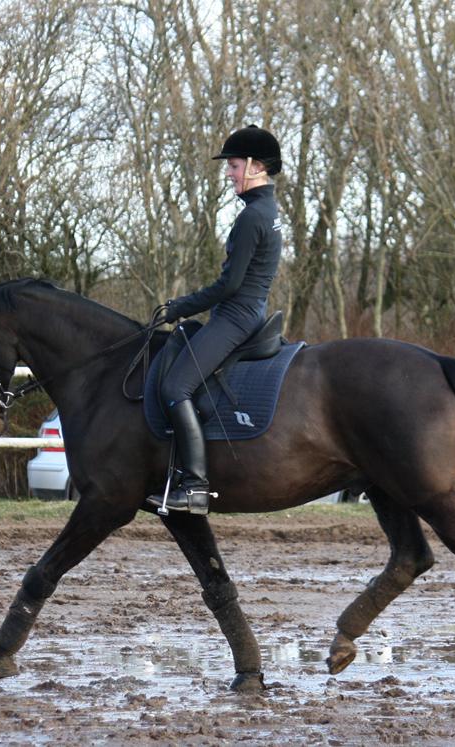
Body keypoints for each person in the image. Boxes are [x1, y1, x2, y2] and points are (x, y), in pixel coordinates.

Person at [149, 125, 284, 515]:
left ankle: (193, 485)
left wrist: (181, 307)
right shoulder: (266, 211)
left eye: (235, 165)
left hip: (237, 315)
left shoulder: (252, 217)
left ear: (257, 167)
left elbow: (229, 285)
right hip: (247, 310)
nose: (229, 173)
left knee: (176, 386)